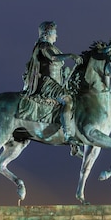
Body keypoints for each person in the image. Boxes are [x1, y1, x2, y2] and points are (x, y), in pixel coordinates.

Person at [23, 21, 82, 149]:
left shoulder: (51, 46)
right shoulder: (43, 46)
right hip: (47, 83)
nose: (56, 36)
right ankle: (67, 135)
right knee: (67, 100)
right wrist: (71, 55)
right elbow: (54, 58)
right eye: (55, 33)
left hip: (56, 83)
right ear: (48, 33)